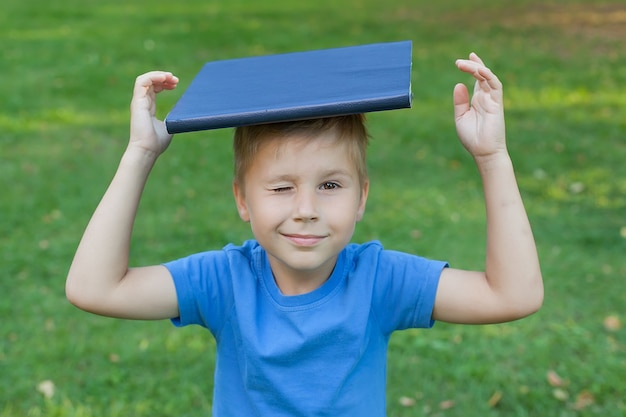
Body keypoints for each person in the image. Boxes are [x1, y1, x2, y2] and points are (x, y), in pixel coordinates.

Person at [66, 52, 543, 416]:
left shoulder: (378, 280)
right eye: (281, 187)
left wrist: (492, 157)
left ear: (361, 199)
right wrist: (140, 152)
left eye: (330, 185)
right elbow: (95, 288)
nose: (306, 210)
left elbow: (512, 295)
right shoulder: (224, 281)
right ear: (242, 200)